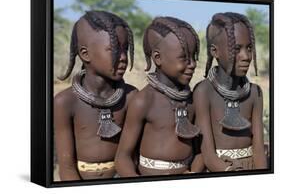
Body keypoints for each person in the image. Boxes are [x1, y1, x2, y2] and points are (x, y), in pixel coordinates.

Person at [54, 10, 137, 180]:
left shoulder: (131, 97)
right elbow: (66, 167)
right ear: (85, 54)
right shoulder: (65, 102)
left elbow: (134, 155)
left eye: (125, 49)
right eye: (113, 49)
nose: (123, 57)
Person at [115, 16, 203, 176]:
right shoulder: (143, 101)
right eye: (184, 57)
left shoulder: (192, 99)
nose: (192, 64)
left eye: (194, 57)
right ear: (158, 58)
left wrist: (194, 173)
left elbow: (200, 150)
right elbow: (123, 156)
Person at [193, 12, 267, 172]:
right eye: (237, 49)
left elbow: (259, 149)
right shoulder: (203, 92)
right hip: (220, 169)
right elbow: (207, 154)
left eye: (249, 48)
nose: (246, 56)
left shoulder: (255, 93)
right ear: (215, 51)